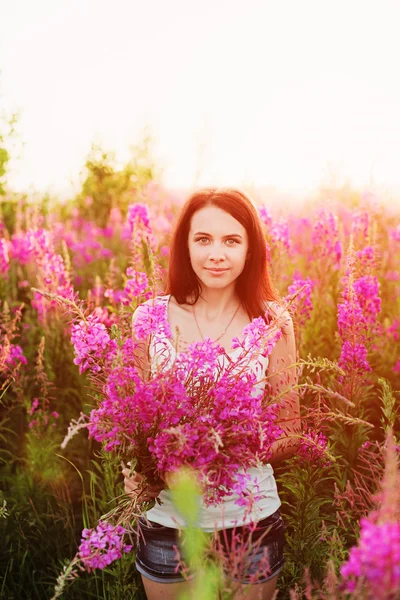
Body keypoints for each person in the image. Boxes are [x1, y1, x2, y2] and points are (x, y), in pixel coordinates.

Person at [122, 187, 301, 600]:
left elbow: (292, 432)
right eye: (203, 239)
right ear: (185, 246)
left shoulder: (274, 321)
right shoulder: (149, 317)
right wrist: (137, 469)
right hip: (168, 521)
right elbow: (133, 419)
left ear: (251, 249)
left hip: (251, 523)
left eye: (231, 240)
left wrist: (218, 450)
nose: (216, 253)